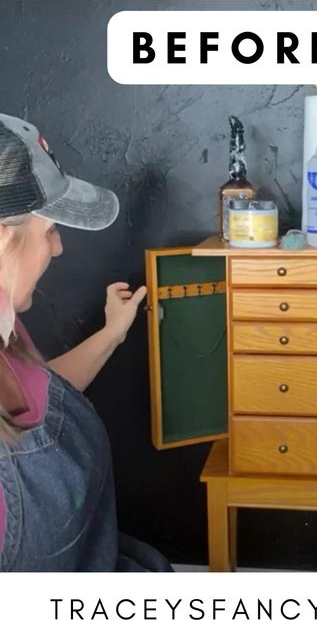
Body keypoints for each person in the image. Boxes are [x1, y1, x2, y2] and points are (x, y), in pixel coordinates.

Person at [0, 113, 172, 571]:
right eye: (50, 231)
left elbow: (40, 398)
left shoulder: (6, 325)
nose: (57, 249)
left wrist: (112, 332)